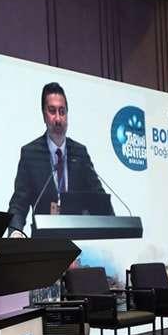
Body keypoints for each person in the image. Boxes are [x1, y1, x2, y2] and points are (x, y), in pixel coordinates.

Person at [7, 82, 112, 236]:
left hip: (78, 240)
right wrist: (15, 232)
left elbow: (99, 198)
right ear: (44, 115)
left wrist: (111, 220)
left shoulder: (79, 153)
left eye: (62, 112)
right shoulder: (30, 154)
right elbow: (19, 204)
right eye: (52, 111)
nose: (58, 118)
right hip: (43, 241)